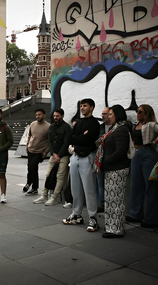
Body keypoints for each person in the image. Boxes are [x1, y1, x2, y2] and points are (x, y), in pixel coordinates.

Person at [126, 104, 158, 228]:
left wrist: (154, 142)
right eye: (137, 111)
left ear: (147, 114)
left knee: (150, 186)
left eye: (141, 112)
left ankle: (150, 218)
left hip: (148, 154)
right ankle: (135, 214)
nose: (138, 114)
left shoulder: (151, 124)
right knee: (136, 185)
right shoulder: (135, 125)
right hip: (136, 155)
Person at [63, 98, 100, 232]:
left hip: (86, 158)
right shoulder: (78, 123)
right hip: (75, 157)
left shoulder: (94, 123)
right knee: (75, 187)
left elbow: (88, 139)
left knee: (89, 188)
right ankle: (77, 214)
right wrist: (79, 139)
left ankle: (92, 217)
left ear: (92, 107)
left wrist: (77, 142)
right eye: (81, 106)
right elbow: (71, 137)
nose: (82, 108)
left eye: (85, 106)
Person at [96, 105, 131, 238]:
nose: (108, 116)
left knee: (116, 200)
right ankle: (112, 226)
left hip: (117, 169)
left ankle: (116, 229)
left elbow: (121, 150)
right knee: (111, 199)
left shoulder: (121, 130)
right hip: (111, 169)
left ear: (117, 114)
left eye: (110, 114)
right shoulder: (114, 129)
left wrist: (106, 160)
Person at [33, 108, 72, 206]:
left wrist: (58, 155)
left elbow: (66, 142)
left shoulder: (66, 127)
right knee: (48, 174)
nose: (55, 118)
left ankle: (54, 197)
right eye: (54, 116)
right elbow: (49, 141)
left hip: (63, 155)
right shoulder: (52, 127)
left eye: (57, 116)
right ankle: (44, 194)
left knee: (60, 176)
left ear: (62, 116)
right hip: (54, 154)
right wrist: (53, 154)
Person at [24, 108, 50, 196]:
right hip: (31, 149)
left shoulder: (48, 126)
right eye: (36, 115)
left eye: (39, 114)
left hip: (40, 151)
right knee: (30, 169)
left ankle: (31, 185)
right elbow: (30, 136)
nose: (38, 116)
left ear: (44, 115)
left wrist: (46, 151)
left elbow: (50, 141)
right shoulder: (33, 124)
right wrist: (27, 145)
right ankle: (32, 186)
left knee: (33, 167)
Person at [96, 107, 111, 212]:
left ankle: (109, 204)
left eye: (105, 114)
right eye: (102, 114)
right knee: (100, 183)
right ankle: (101, 204)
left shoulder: (115, 128)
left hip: (110, 158)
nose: (103, 116)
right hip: (100, 158)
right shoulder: (100, 127)